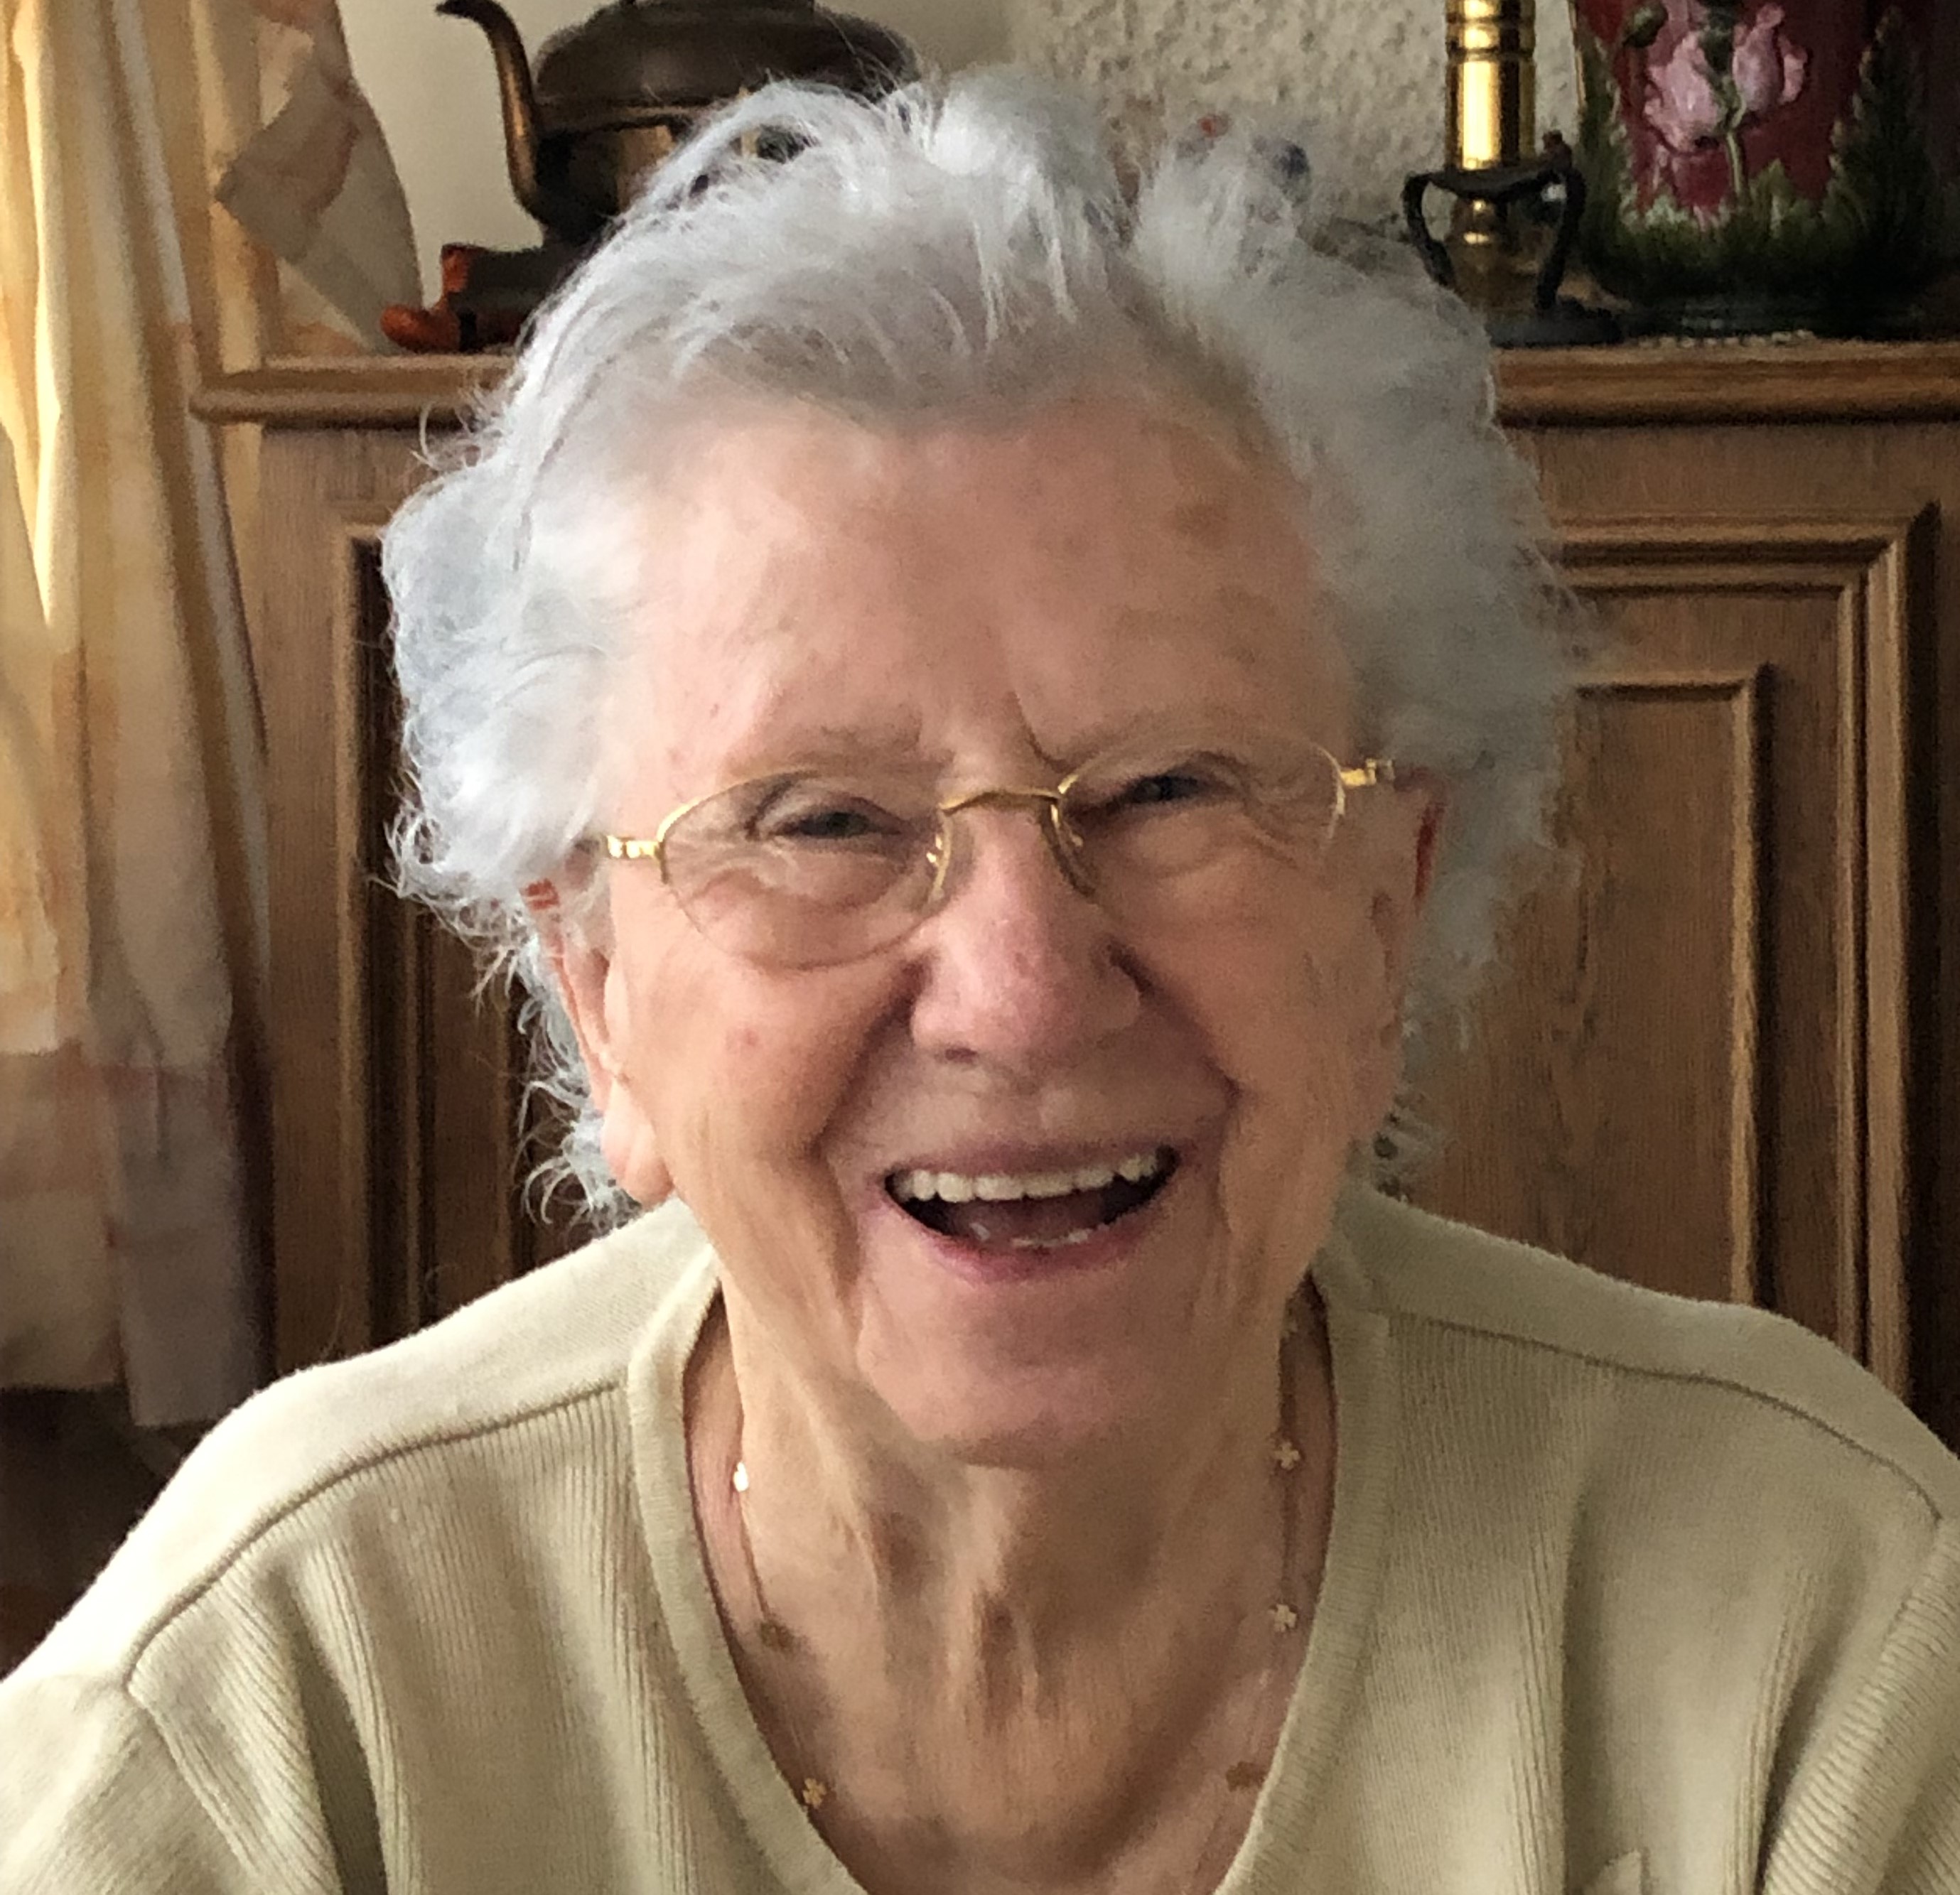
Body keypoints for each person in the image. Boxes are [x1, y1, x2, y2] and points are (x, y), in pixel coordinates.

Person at [4, 69, 1959, 1895]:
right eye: (822, 822)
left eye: (1171, 787)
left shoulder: (1812, 1636)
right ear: (594, 988)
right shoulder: (272, 1709)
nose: (1020, 992)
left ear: (1393, 906)